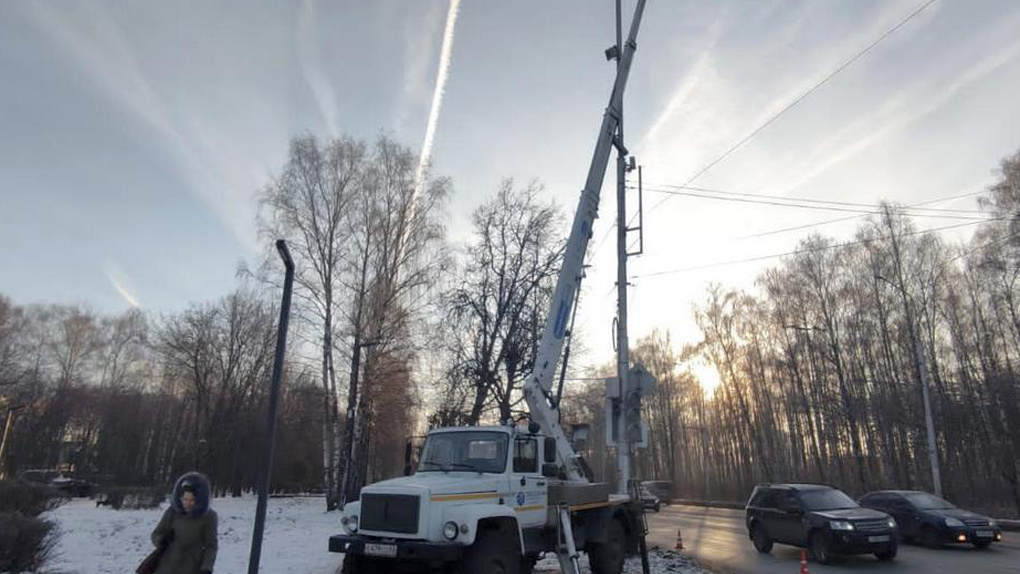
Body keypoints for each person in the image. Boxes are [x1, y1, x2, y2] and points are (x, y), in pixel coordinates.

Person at [149, 472, 218, 574]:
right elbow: (156, 534)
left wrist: (206, 568)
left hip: (191, 566)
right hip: (166, 565)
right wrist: (162, 540)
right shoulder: (173, 512)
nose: (187, 503)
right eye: (184, 499)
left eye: (192, 500)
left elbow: (211, 546)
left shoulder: (208, 517)